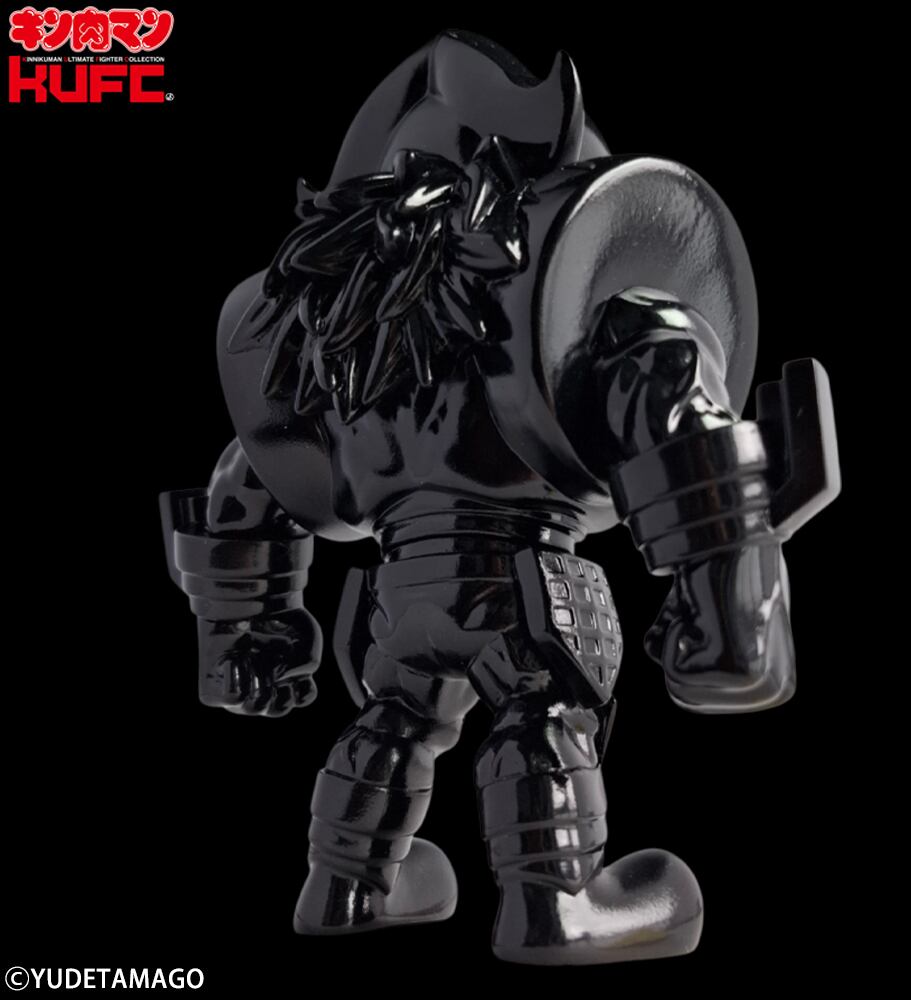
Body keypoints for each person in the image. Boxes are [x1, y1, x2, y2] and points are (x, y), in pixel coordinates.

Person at [160, 29, 839, 966]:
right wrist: (734, 595)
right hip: (521, 585)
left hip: (398, 604)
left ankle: (347, 884)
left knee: (398, 718)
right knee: (542, 710)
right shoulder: (558, 308)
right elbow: (670, 393)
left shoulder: (341, 350)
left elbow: (251, 475)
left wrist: (243, 634)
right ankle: (552, 904)